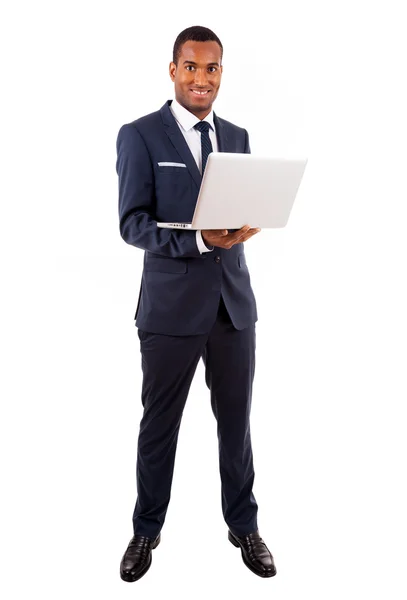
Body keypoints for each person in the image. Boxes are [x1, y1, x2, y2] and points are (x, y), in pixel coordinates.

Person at [116, 25, 277, 581]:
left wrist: (245, 227)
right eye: (191, 67)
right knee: (159, 425)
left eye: (211, 69)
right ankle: (145, 530)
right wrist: (199, 239)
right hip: (169, 310)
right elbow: (131, 225)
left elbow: (240, 210)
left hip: (233, 306)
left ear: (220, 74)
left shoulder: (237, 134)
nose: (201, 79)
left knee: (236, 425)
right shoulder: (139, 136)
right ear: (172, 70)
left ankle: (244, 524)